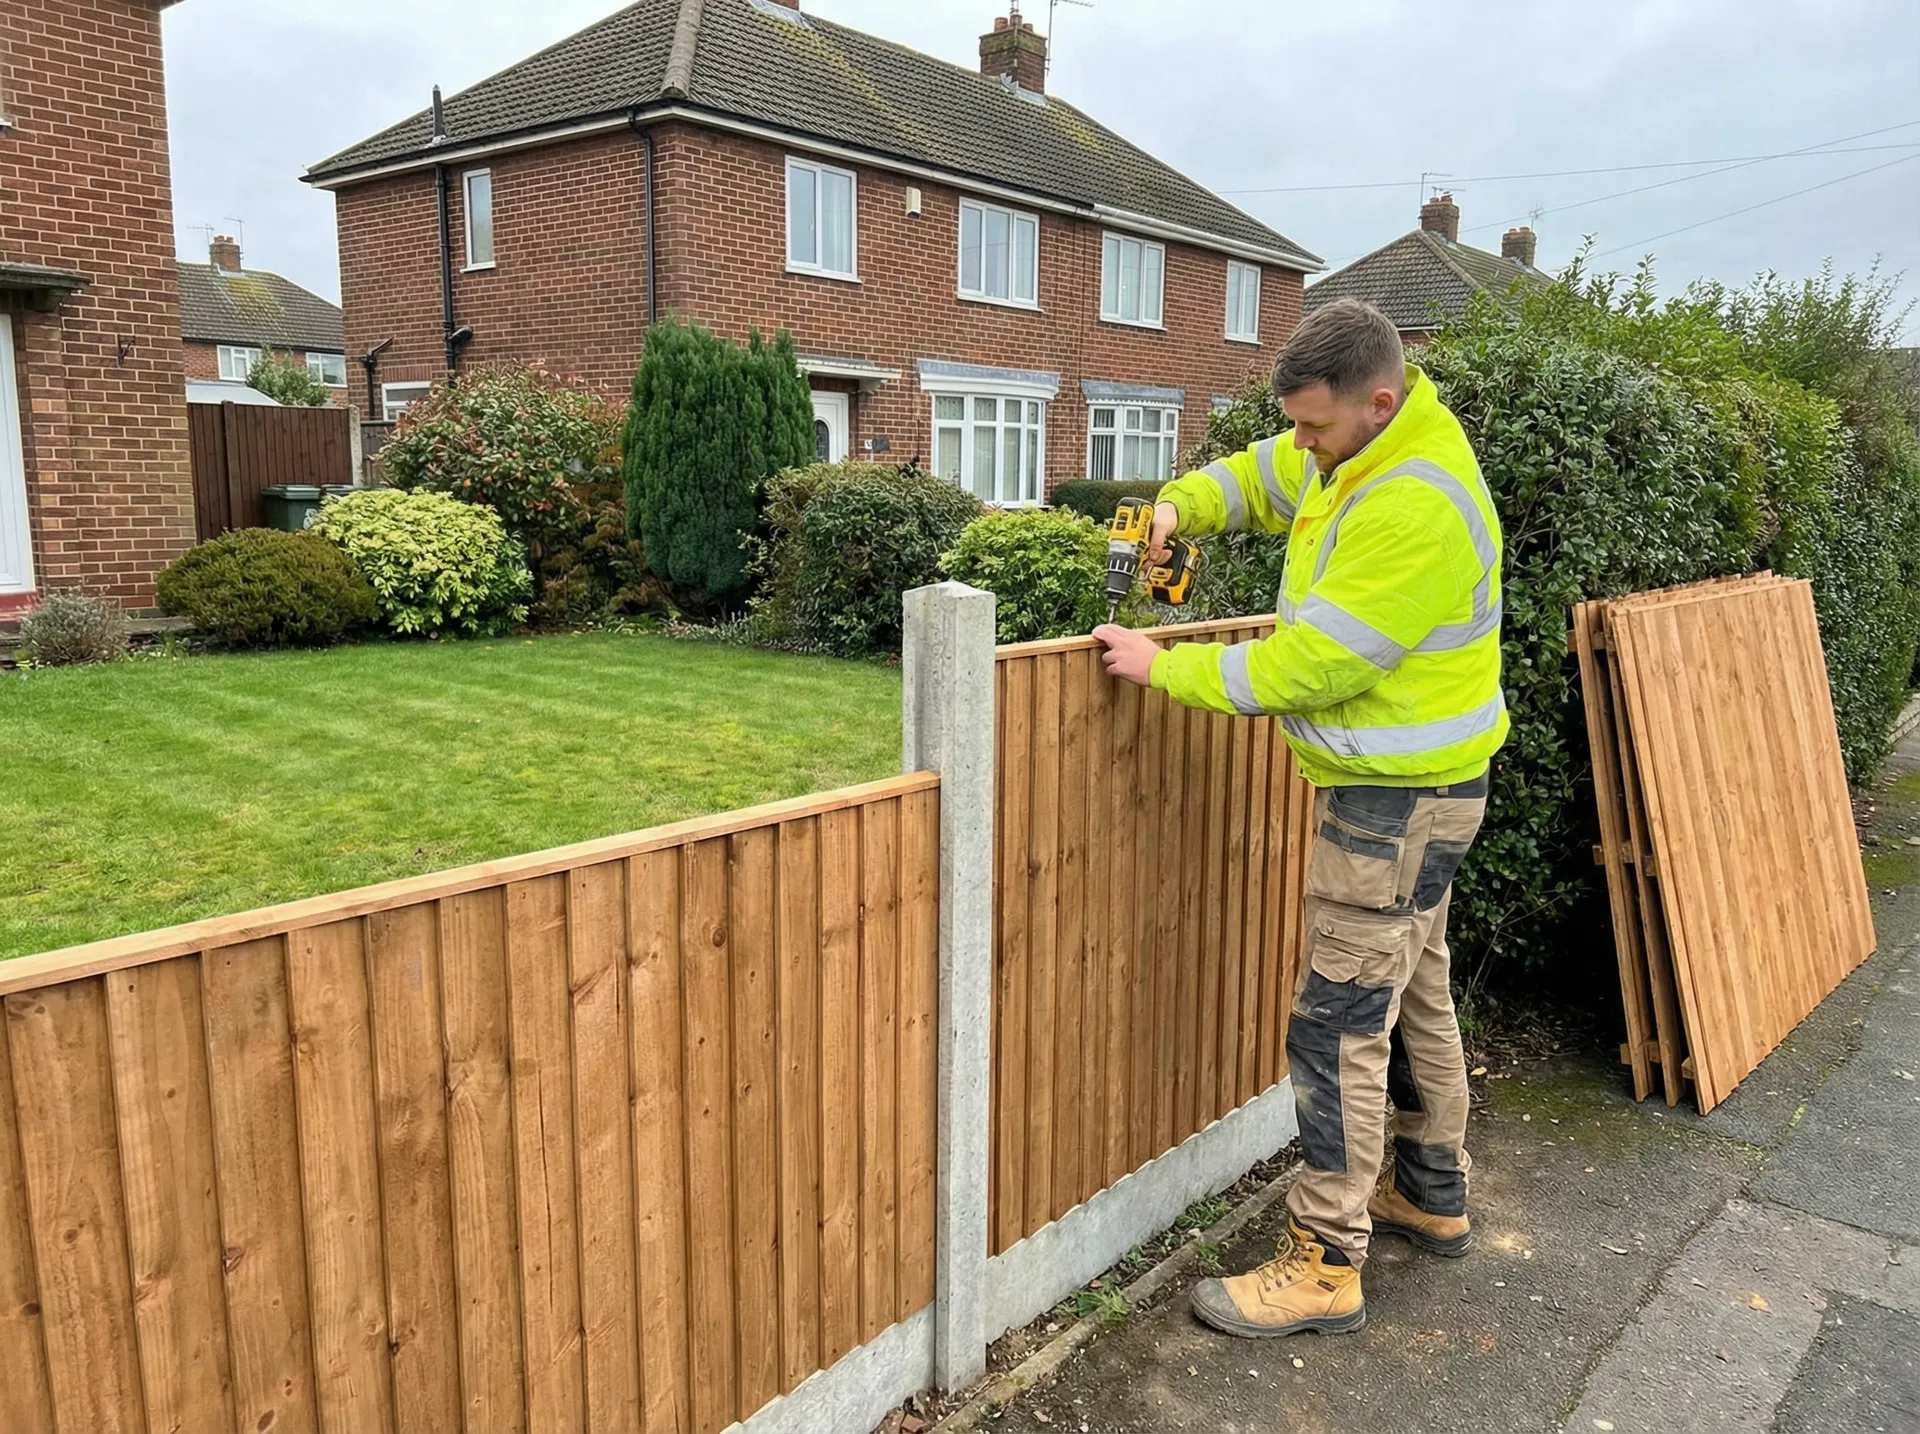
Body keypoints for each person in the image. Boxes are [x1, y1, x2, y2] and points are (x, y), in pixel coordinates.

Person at [1093, 296, 1507, 1339]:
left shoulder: (1414, 505)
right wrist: (1176, 510)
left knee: (1337, 1025)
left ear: (1379, 400)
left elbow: (1312, 667)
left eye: (1316, 426)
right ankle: (1430, 1190)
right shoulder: (1351, 450)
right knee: (1415, 991)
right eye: (1297, 423)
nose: (1303, 444)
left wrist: (1164, 667)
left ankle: (1325, 1262)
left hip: (1395, 807)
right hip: (1426, 799)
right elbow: (1256, 477)